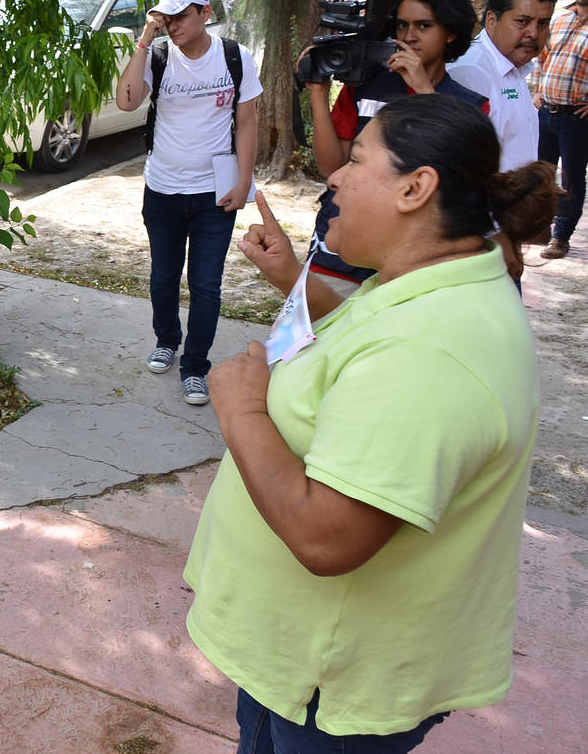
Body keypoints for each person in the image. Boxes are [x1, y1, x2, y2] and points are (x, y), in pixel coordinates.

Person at [185, 93, 556, 753]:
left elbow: (329, 540)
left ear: (416, 187)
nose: (335, 176)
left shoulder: (432, 349)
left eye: (357, 159)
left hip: (325, 686)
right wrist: (294, 278)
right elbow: (362, 339)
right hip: (318, 669)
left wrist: (242, 408)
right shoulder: (435, 281)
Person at [114, 0, 262, 405]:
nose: (173, 25)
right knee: (163, 278)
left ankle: (196, 366)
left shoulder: (234, 57)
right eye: (167, 17)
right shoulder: (159, 56)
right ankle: (167, 340)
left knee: (206, 284)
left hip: (213, 194)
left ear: (205, 14)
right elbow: (126, 100)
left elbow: (248, 121)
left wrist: (244, 181)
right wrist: (146, 35)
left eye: (181, 16)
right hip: (162, 189)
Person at [302, 0, 487, 293]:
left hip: (414, 266)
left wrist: (424, 92)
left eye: (423, 26)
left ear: (451, 33)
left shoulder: (470, 108)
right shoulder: (363, 87)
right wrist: (317, 92)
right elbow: (333, 169)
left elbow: (456, 183)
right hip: (342, 252)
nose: (410, 35)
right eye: (402, 25)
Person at [448, 0, 558, 173]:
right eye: (522, 22)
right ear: (491, 20)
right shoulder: (471, 72)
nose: (533, 33)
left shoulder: (513, 66)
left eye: (543, 23)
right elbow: (461, 168)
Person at [533, 0, 588, 260]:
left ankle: (561, 236)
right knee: (541, 171)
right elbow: (542, 57)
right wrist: (538, 89)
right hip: (546, 112)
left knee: (571, 179)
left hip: (576, 120)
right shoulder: (560, 19)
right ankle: (539, 227)